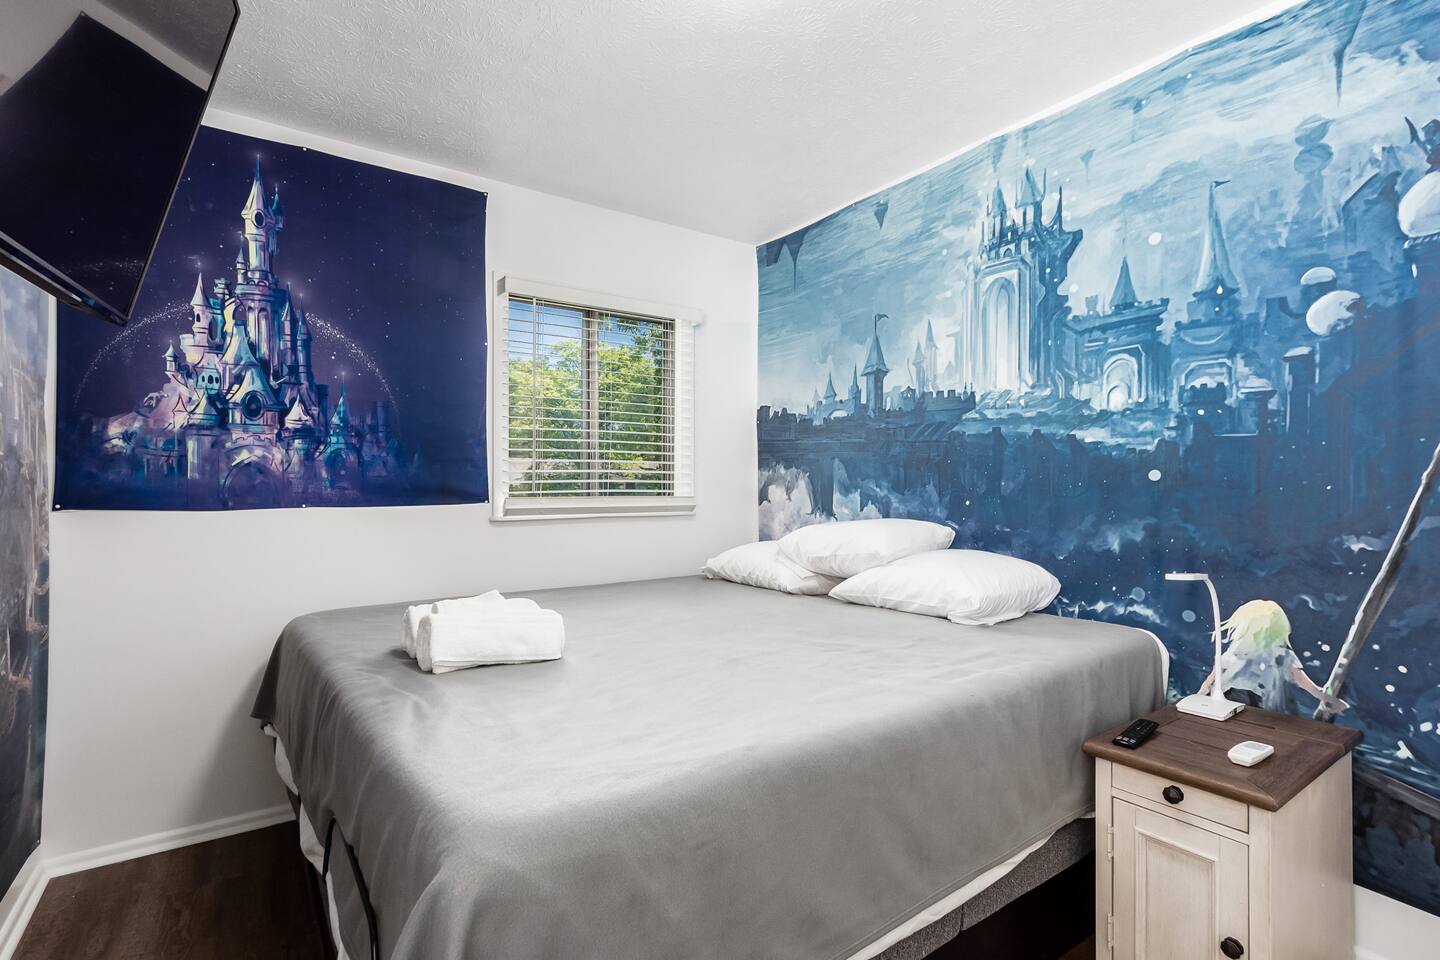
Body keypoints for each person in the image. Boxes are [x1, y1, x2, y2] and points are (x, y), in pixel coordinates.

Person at [1196, 599, 1349, 716]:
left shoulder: (1236, 652)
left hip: (1230, 704)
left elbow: (1209, 682)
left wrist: (1198, 699)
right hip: (1246, 705)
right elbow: (1307, 685)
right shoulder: (1279, 655)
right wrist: (1330, 700)